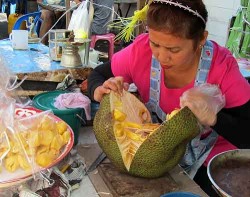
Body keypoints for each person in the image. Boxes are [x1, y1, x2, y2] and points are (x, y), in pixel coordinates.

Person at [87, 0, 250, 196]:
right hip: (155, 153)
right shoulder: (140, 51)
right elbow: (97, 74)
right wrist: (99, 89)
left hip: (209, 159)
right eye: (155, 43)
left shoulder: (222, 67)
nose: (161, 57)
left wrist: (215, 118)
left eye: (174, 50)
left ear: (201, 40)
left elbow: (247, 135)